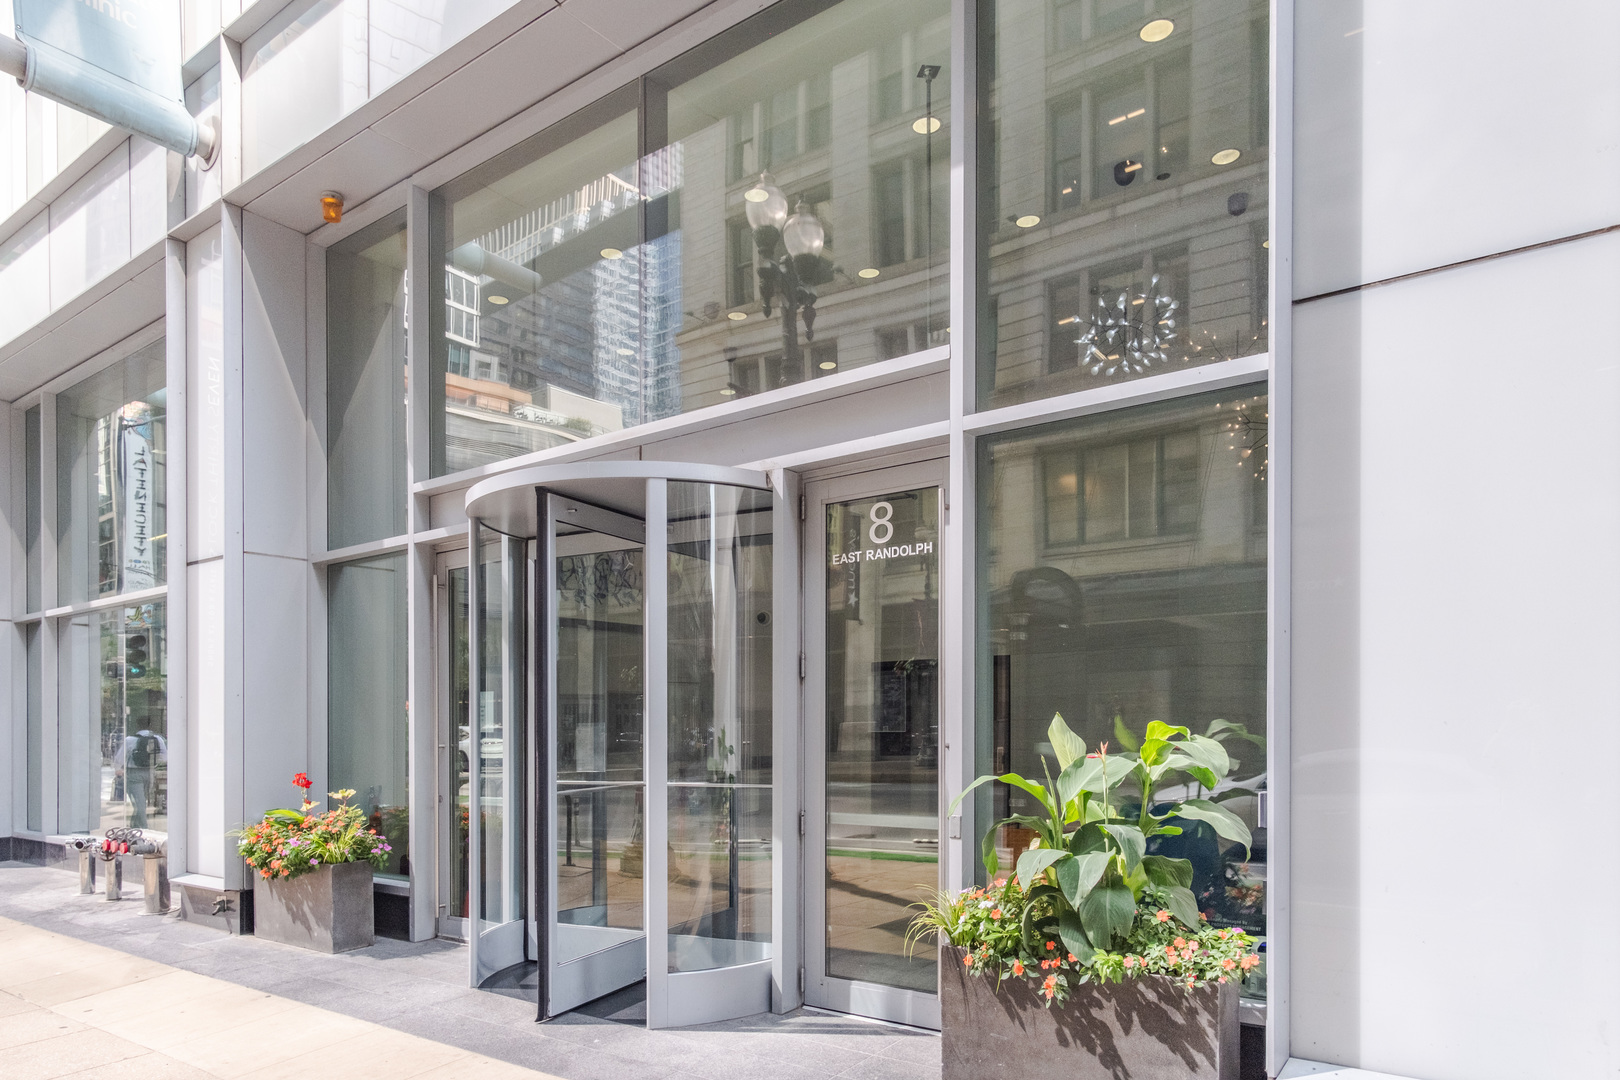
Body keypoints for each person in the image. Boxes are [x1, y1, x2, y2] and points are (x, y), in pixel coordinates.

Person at [122, 728, 166, 828]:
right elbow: (164, 758)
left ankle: (142, 828)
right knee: (142, 803)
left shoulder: (129, 740)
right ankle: (137, 827)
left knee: (139, 804)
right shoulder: (158, 739)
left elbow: (119, 758)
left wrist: (119, 769)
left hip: (133, 773)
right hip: (150, 772)